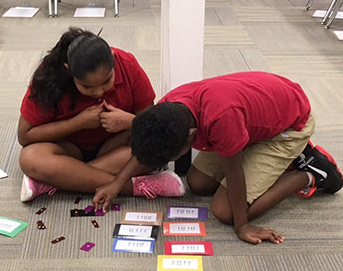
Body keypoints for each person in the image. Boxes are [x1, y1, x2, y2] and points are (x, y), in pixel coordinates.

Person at [93, 71, 343, 245]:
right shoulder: (169, 108)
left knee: (225, 212)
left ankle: (310, 173)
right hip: (258, 113)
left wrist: (242, 225)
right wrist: (117, 182)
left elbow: (235, 174)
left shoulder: (220, 121)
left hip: (289, 126)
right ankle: (269, 155)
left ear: (191, 136)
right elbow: (148, 148)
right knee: (199, 184)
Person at [18, 27, 185, 203]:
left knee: (157, 146)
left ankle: (60, 180)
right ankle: (136, 187)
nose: (98, 92)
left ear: (113, 60)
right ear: (69, 72)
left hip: (115, 147)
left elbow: (152, 127)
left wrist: (128, 121)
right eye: (87, 87)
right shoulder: (48, 76)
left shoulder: (127, 64)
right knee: (30, 158)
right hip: (69, 149)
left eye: (106, 81)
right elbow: (25, 136)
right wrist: (77, 123)